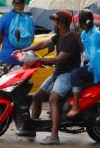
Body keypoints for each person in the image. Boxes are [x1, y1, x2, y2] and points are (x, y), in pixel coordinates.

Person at [20, 10, 82, 145]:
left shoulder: (71, 40)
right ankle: (31, 128)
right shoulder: (58, 36)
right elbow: (43, 44)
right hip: (57, 74)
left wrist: (38, 60)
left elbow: (58, 60)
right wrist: (25, 50)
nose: (54, 23)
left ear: (62, 23)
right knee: (36, 97)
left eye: (56, 21)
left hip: (68, 74)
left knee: (53, 99)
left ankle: (54, 136)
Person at [67, 9, 100, 118]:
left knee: (75, 73)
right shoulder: (86, 33)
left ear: (84, 22)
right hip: (90, 64)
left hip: (97, 67)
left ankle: (76, 106)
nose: (79, 23)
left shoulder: (95, 35)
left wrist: (78, 40)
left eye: (80, 21)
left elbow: (91, 56)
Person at [0, 0, 30, 83]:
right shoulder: (29, 19)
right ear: (24, 5)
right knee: (18, 88)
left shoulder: (5, 17)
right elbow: (30, 39)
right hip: (22, 59)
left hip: (5, 57)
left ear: (13, 4)